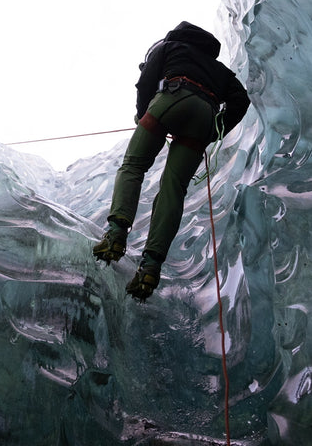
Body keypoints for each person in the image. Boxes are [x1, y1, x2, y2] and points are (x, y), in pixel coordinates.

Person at [93, 21, 250, 300]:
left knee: (134, 165)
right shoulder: (221, 71)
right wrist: (216, 129)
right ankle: (150, 266)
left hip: (171, 98)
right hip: (204, 115)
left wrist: (144, 114)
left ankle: (116, 234)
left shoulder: (169, 47)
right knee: (173, 187)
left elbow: (147, 81)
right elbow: (241, 99)